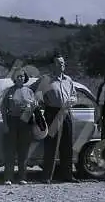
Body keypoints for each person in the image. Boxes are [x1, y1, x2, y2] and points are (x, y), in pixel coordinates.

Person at [31, 54, 79, 184]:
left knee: (67, 145)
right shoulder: (46, 79)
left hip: (66, 113)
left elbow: (74, 95)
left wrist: (73, 100)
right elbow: (31, 90)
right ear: (53, 65)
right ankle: (47, 176)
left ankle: (67, 175)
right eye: (58, 63)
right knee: (51, 146)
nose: (61, 65)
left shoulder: (68, 80)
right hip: (52, 113)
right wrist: (37, 101)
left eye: (63, 63)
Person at [1, 67, 37, 185]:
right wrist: (5, 124)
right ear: (14, 78)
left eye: (22, 76)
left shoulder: (29, 91)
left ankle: (22, 177)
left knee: (23, 151)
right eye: (18, 76)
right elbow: (3, 109)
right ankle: (8, 178)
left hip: (25, 122)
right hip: (11, 121)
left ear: (25, 78)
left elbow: (34, 108)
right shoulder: (8, 91)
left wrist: (33, 106)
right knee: (10, 151)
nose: (20, 78)